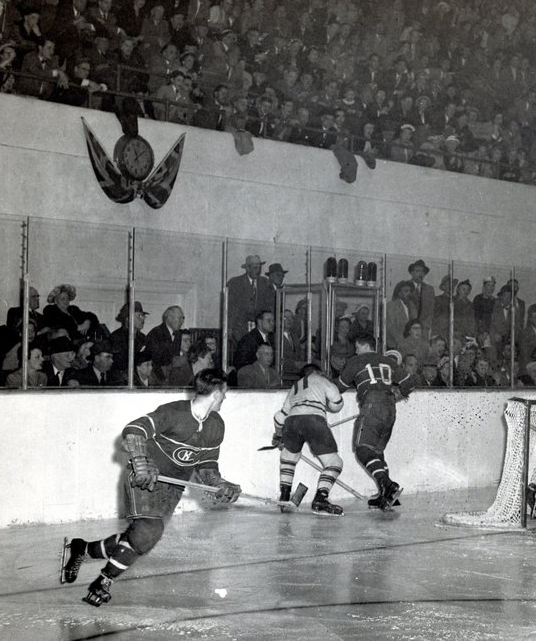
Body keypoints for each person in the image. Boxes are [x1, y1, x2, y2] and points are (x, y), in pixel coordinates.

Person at [59, 369, 240, 607]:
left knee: (138, 538)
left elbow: (207, 465)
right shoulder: (174, 412)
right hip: (145, 477)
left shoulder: (216, 425)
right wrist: (141, 460)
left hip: (173, 487)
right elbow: (134, 430)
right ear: (216, 394)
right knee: (148, 531)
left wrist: (219, 484)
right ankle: (103, 582)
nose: (225, 398)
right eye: (224, 393)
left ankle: (82, 549)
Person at [339, 337, 414, 511]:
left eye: (357, 346)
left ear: (365, 345)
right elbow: (409, 384)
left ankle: (387, 484)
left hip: (372, 404)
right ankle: (385, 497)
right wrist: (394, 397)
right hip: (390, 407)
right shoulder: (388, 361)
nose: (356, 351)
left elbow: (340, 386)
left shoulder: (356, 360)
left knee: (362, 449)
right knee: (377, 451)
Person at [271, 363, 348, 516]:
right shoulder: (321, 380)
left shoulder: (295, 386)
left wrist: (278, 435)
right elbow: (337, 403)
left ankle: (285, 495)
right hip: (314, 419)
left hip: (291, 420)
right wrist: (327, 405)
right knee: (334, 463)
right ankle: (321, 499)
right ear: (317, 372)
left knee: (289, 457)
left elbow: (280, 416)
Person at [225, 254, 273, 346]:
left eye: (260, 268)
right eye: (255, 268)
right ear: (247, 268)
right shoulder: (235, 283)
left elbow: (269, 306)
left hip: (260, 329)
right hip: (240, 330)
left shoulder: (265, 283)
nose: (258, 271)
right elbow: (230, 309)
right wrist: (230, 329)